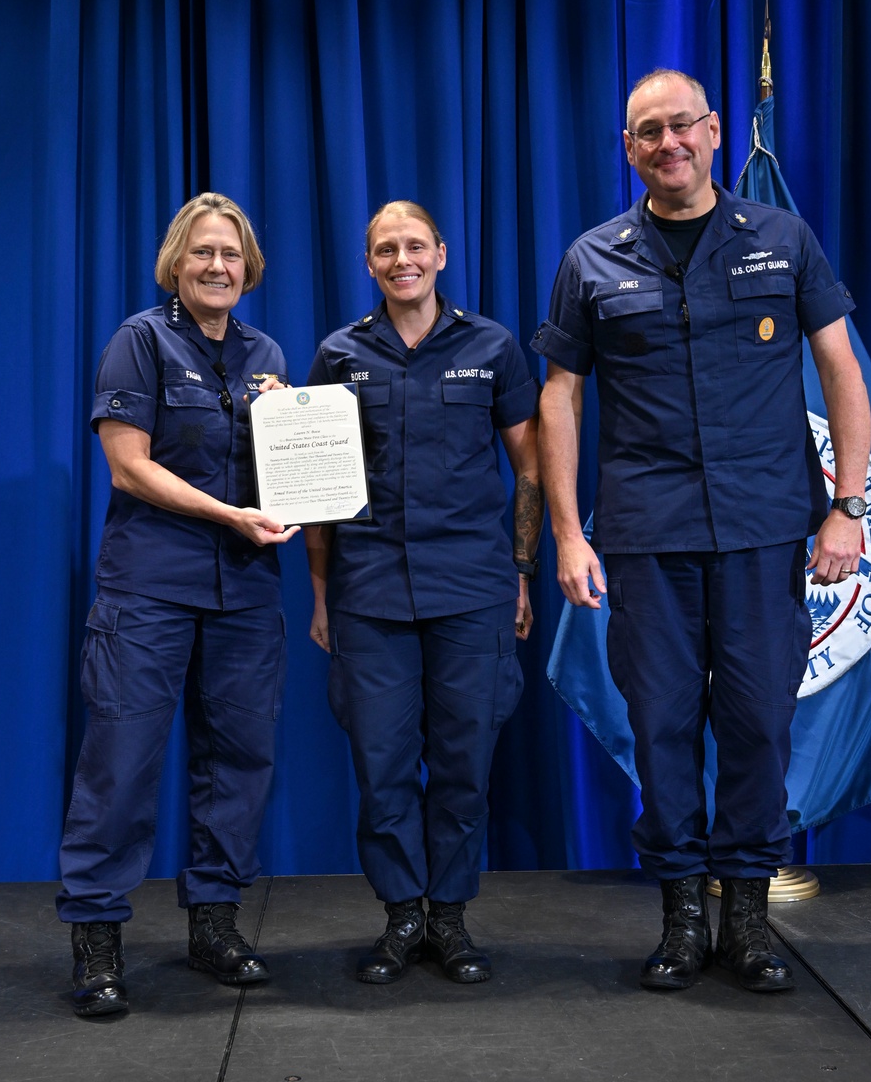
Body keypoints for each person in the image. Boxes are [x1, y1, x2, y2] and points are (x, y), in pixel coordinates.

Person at [532, 70, 871, 993]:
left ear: (716, 132)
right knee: (662, 723)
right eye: (648, 132)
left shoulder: (782, 239)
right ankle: (684, 912)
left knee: (759, 721)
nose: (668, 143)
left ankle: (749, 919)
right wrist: (567, 533)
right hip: (648, 533)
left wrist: (845, 506)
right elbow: (557, 398)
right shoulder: (592, 259)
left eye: (682, 125)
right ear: (629, 149)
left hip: (766, 528)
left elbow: (838, 367)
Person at [57, 193, 300, 1017]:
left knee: (239, 762)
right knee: (120, 763)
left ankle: (215, 924)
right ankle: (97, 936)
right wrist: (229, 513)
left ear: (250, 265)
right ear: (176, 261)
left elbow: (286, 471)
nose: (218, 267)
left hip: (245, 593)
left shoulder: (266, 353)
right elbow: (128, 467)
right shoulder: (140, 341)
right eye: (203, 253)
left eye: (231, 255)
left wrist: (297, 454)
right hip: (151, 589)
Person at [305, 201, 542, 985]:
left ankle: (451, 915)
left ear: (441, 253)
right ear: (369, 264)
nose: (400, 259)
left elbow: (531, 468)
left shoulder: (492, 346)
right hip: (368, 591)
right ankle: (402, 913)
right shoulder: (340, 354)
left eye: (414, 245)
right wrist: (319, 596)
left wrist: (519, 571)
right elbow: (313, 491)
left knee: (465, 761)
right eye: (384, 249)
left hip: (472, 588)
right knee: (382, 763)